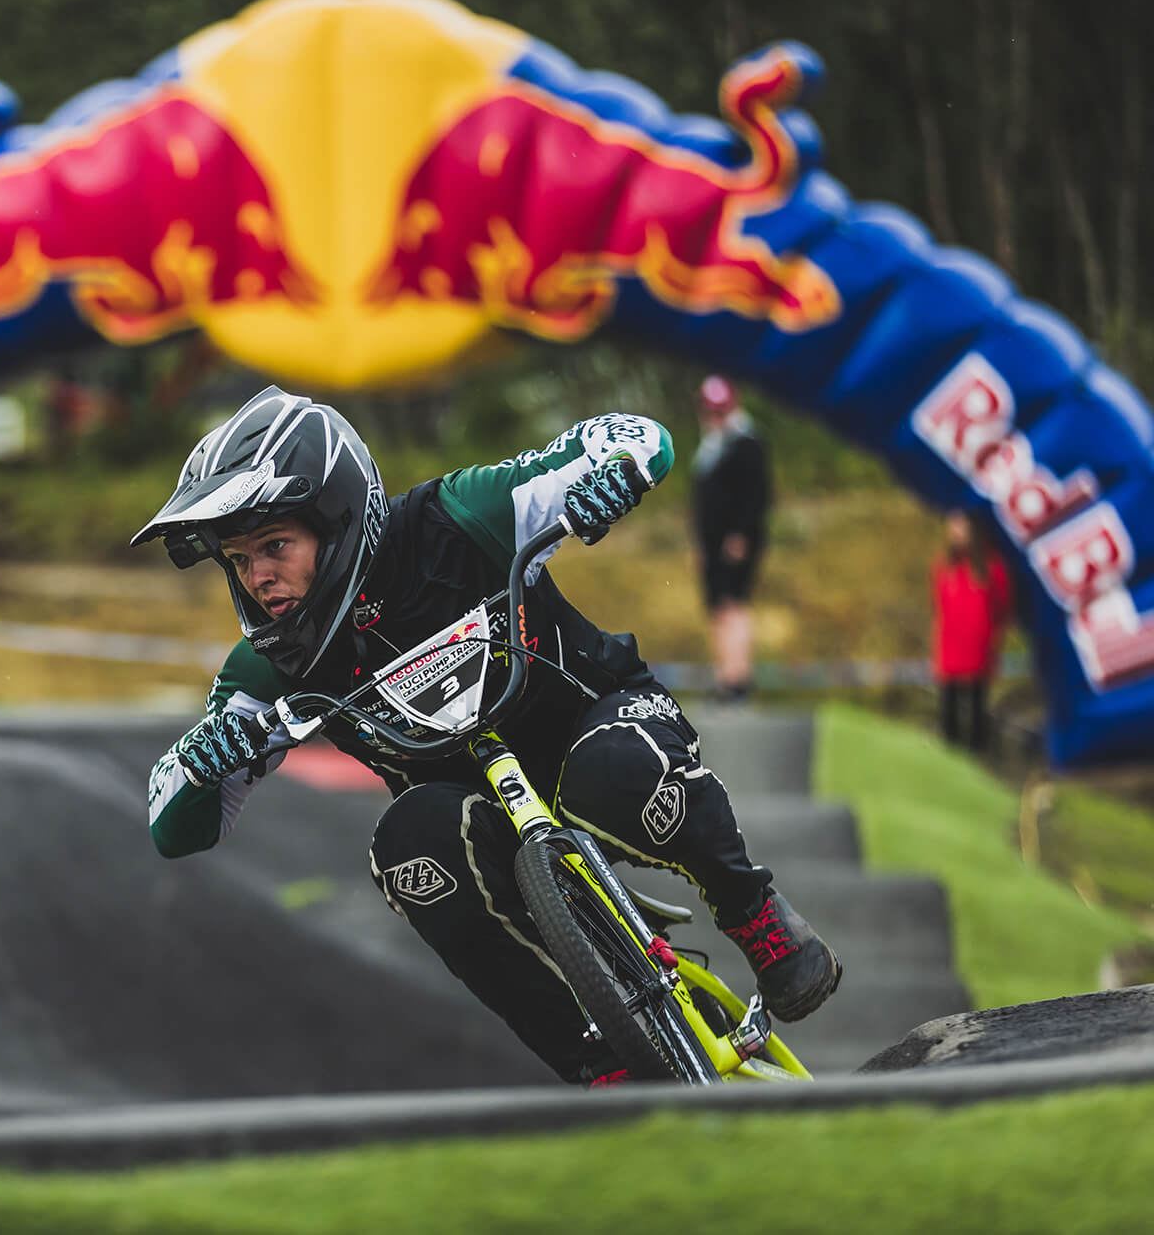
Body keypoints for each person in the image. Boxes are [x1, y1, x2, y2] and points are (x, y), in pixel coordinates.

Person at [130, 386, 842, 1087]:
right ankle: (599, 1066)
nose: (258, 577)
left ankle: (753, 914)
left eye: (275, 545)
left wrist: (615, 480)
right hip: (482, 825)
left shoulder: (459, 516)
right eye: (240, 558)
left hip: (598, 722)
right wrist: (200, 763)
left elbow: (637, 435)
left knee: (610, 772)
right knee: (406, 849)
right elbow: (172, 825)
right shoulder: (265, 665)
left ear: (336, 517)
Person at [689, 376, 772, 703]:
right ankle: (726, 674)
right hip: (711, 543)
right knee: (716, 608)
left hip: (735, 541)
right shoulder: (710, 447)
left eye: (719, 411)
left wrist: (740, 535)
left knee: (732, 604)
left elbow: (756, 496)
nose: (714, 418)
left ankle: (738, 678)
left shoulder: (747, 443)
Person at [931, 510, 1012, 753]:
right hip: (950, 650)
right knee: (949, 712)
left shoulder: (991, 566)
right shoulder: (944, 566)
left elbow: (1002, 606)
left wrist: (991, 637)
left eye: (961, 525)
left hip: (979, 650)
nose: (955, 531)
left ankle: (979, 761)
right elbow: (937, 605)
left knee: (978, 711)